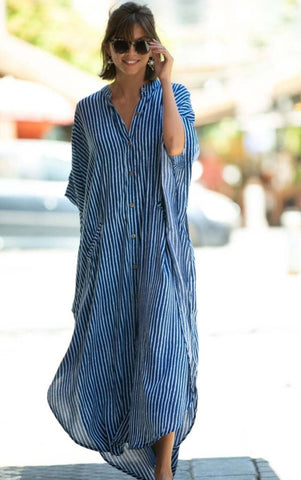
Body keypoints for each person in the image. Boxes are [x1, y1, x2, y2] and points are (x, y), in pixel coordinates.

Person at [47, 3, 199, 480]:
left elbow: (176, 149)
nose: (130, 53)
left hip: (162, 250)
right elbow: (83, 191)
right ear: (108, 48)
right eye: (122, 43)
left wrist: (167, 80)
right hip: (109, 255)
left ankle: (162, 469)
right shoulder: (88, 113)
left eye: (140, 44)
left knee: (165, 352)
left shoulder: (177, 97)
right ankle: (127, 442)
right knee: (113, 355)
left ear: (152, 47)